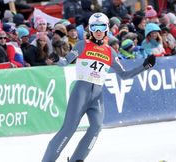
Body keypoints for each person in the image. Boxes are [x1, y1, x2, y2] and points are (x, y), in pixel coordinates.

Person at [41, 12, 156, 162]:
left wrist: (144, 66)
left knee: (96, 127)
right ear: (90, 29)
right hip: (81, 92)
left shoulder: (111, 52)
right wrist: (56, 58)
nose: (98, 31)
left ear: (107, 29)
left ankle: (77, 159)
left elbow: (124, 75)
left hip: (97, 95)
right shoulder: (83, 45)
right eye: (95, 27)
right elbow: (65, 62)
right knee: (68, 129)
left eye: (101, 27)